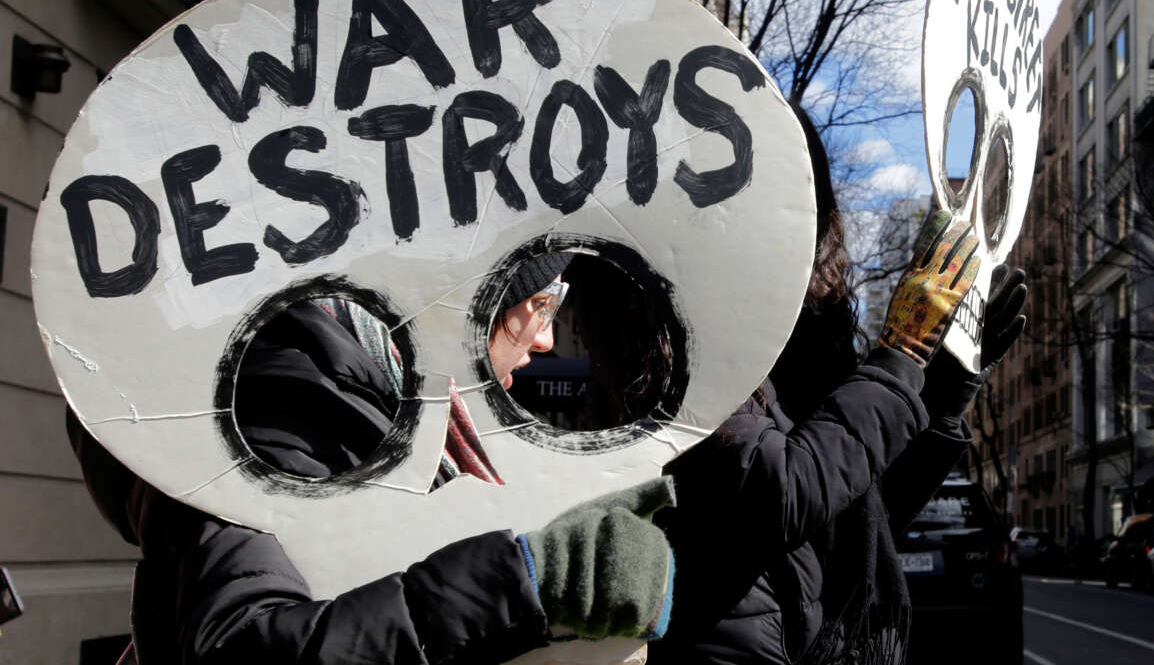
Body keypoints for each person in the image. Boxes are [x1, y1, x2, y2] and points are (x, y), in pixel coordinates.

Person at [66, 253, 676, 665]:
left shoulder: (393, 414)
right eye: (540, 304)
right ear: (467, 303)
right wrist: (525, 581)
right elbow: (238, 646)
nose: (545, 337)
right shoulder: (270, 416)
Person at [649, 108, 1027, 664]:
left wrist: (942, 397)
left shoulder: (805, 337)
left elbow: (854, 511)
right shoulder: (677, 333)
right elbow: (779, 495)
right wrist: (902, 355)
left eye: (797, 191)